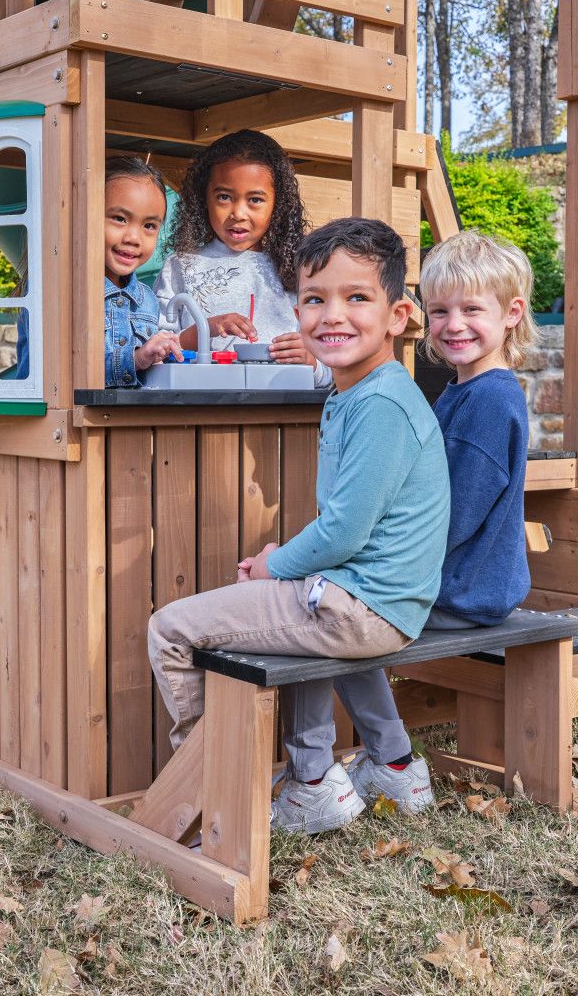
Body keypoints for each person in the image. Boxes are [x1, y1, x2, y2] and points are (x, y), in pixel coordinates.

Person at [148, 217, 449, 834]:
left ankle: (221, 791)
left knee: (170, 628)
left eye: (355, 298)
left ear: (397, 316)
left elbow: (341, 535)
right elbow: (349, 526)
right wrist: (283, 562)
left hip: (365, 608)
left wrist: (271, 564)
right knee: (284, 609)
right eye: (315, 299)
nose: (331, 315)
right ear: (296, 310)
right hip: (379, 600)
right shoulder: (360, 392)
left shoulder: (382, 405)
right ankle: (370, 772)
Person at [418, 231, 536, 629]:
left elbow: (455, 515)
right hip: (453, 586)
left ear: (511, 313)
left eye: (471, 309)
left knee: (325, 613)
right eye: (439, 311)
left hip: (457, 595)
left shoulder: (489, 400)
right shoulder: (464, 389)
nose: (453, 325)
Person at [152, 129, 331, 387]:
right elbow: (155, 352)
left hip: (285, 421)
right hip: (196, 418)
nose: (238, 213)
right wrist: (205, 329)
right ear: (204, 199)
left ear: (277, 204)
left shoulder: (301, 270)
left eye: (255, 200)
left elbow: (333, 368)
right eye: (224, 197)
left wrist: (311, 363)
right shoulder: (180, 267)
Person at [13, 156, 182, 384]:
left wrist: (164, 355)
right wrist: (135, 359)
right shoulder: (56, 288)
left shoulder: (147, 299)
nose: (133, 238)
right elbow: (57, 376)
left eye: (149, 226)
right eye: (120, 219)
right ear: (83, 216)